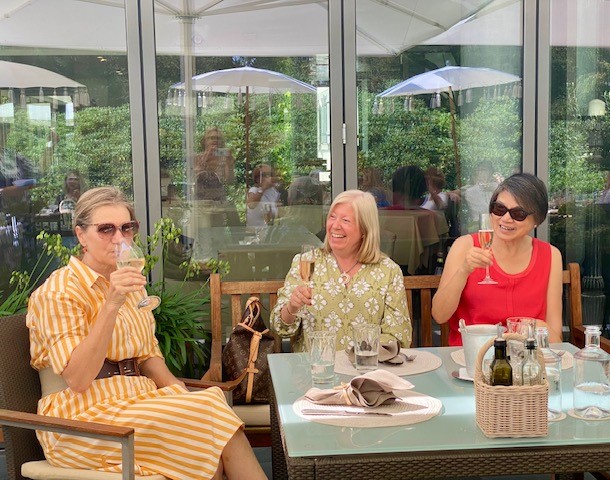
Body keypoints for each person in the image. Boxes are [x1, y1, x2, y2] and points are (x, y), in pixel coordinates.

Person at [26, 187, 266, 480]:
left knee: (208, 415)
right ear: (81, 235)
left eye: (126, 228)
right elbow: (77, 379)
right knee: (207, 424)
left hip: (137, 401)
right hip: (81, 419)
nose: (119, 238)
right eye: (106, 229)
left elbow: (148, 356)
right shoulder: (58, 292)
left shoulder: (132, 287)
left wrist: (178, 391)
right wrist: (111, 304)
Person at [271, 189, 412, 351]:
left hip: (365, 365)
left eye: (345, 220)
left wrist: (361, 356)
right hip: (315, 364)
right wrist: (292, 307)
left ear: (365, 229)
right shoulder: (305, 262)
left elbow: (398, 335)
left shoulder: (388, 271)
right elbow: (279, 327)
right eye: (332, 217)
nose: (335, 226)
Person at [432, 173, 563, 346]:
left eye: (518, 213)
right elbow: (439, 315)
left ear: (537, 220)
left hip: (523, 356)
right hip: (472, 357)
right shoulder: (465, 246)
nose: (506, 219)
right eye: (499, 209)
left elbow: (555, 338)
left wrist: (538, 327)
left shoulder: (550, 255)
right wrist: (463, 271)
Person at [460, 160, 499, 234]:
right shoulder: (471, 191)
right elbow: (486, 210)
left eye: (484, 170)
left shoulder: (496, 188)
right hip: (477, 226)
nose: (481, 173)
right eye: (479, 170)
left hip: (497, 225)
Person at [246, 163, 280, 228]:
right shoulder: (254, 190)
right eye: (264, 175)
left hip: (271, 230)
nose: (269, 177)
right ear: (257, 179)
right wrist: (263, 188)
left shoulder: (274, 192)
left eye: (270, 174)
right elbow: (251, 205)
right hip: (256, 231)